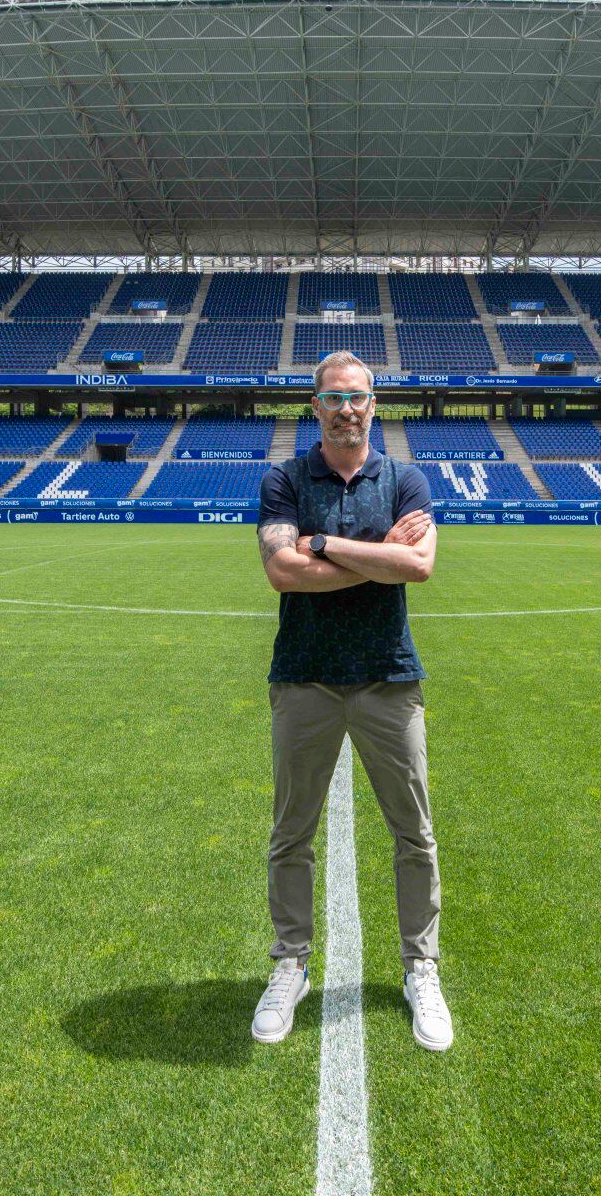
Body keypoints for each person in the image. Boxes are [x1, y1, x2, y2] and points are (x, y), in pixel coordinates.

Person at [250, 351, 452, 1052]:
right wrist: (374, 558)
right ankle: (290, 963)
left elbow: (419, 565)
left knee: (414, 832)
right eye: (333, 397)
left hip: (387, 677)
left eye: (358, 396)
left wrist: (327, 545)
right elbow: (282, 572)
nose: (346, 408)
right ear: (316, 407)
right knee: (291, 834)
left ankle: (421, 967)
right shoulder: (284, 479)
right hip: (303, 675)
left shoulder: (404, 478)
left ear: (374, 405)